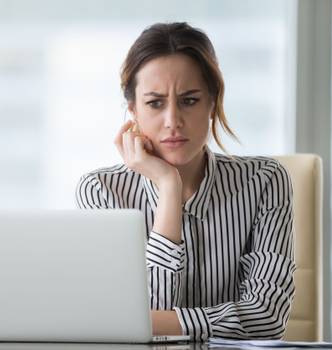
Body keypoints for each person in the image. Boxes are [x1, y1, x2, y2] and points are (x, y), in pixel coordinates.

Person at [75, 22, 296, 342]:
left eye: (189, 100)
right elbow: (137, 322)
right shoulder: (102, 191)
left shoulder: (264, 182)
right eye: (155, 103)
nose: (173, 121)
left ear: (212, 102)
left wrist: (150, 322)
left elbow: (266, 318)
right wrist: (168, 187)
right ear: (133, 110)